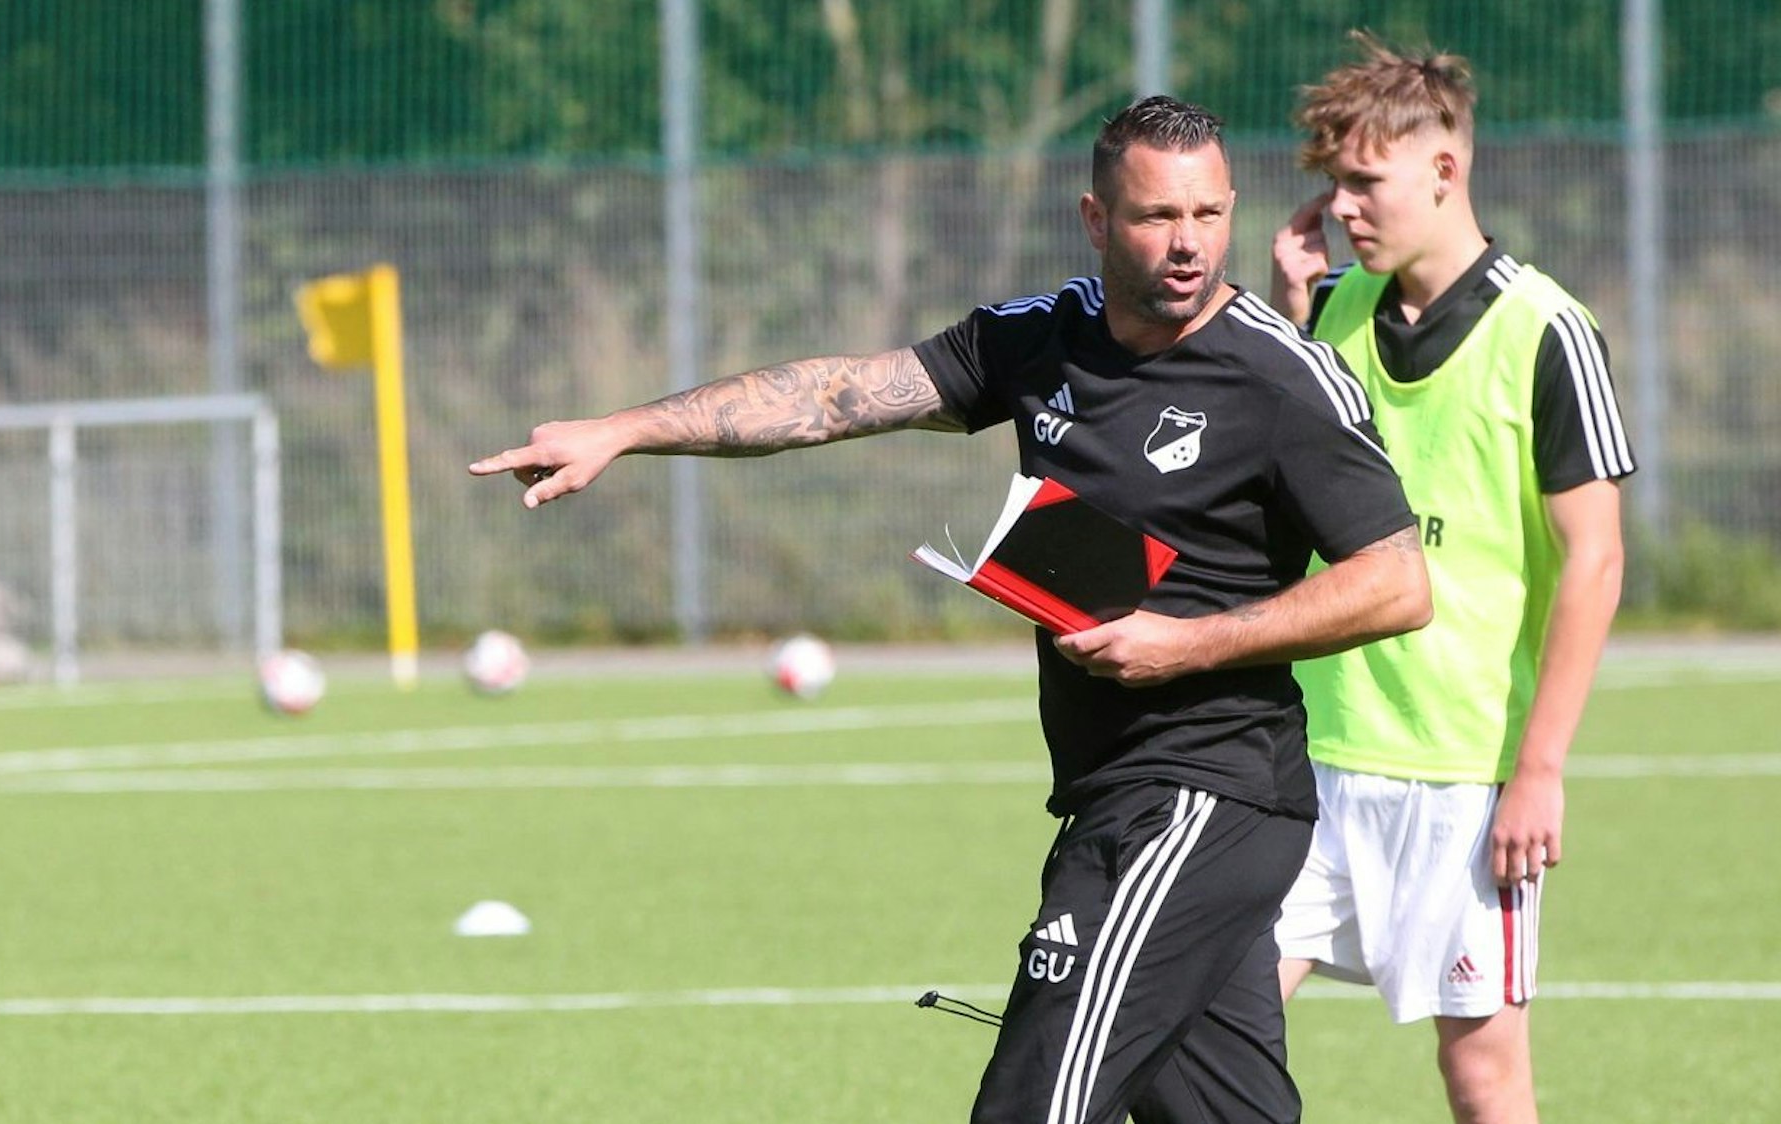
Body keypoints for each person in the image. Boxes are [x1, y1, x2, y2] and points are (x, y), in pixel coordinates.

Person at [474, 95, 1431, 1124]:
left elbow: (1396, 580)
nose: (1186, 242)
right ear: (1096, 218)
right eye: (1156, 216)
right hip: (1109, 791)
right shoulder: (1038, 339)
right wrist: (624, 428)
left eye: (1206, 214)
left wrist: (1184, 643)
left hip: (1201, 795)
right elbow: (838, 395)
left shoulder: (1280, 378)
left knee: (1031, 1105)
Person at [1267, 32, 1633, 1124]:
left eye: (1363, 180)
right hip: (1314, 764)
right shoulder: (1330, 310)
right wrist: (1285, 315)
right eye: (1331, 184)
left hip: (1465, 775)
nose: (1341, 206)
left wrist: (1539, 768)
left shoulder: (1546, 330)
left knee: (1479, 1077)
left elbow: (1595, 558)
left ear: (1443, 170)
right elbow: (1281, 488)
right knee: (1212, 1027)